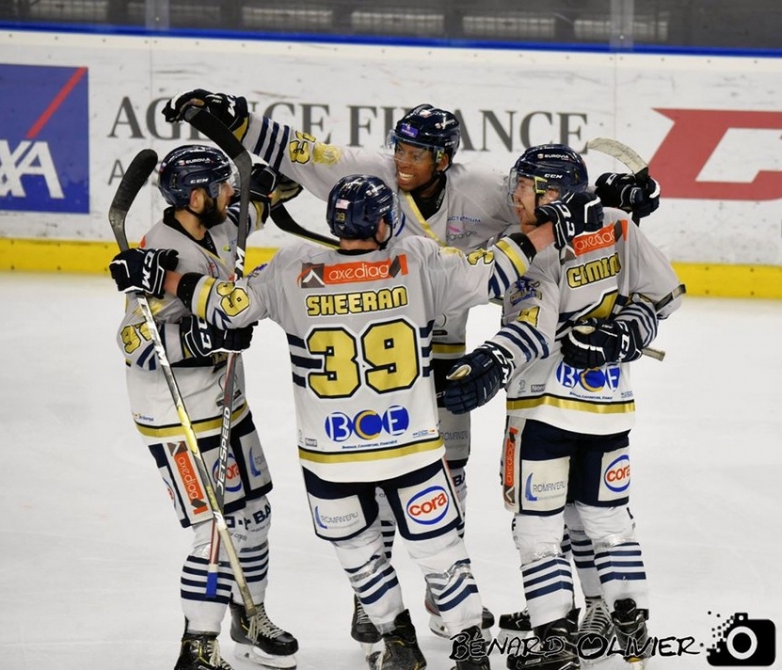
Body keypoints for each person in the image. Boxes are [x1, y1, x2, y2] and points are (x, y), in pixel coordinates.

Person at [161, 90, 662, 643]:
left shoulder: (487, 189)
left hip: (446, 358)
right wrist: (237, 119)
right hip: (383, 362)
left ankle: (444, 592)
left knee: (448, 476)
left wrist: (608, 196)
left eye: (417, 153)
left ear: (444, 159)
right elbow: (299, 151)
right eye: (399, 147)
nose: (402, 160)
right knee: (372, 484)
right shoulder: (370, 174)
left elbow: (548, 199)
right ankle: (372, 598)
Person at [108, 173, 599, 670]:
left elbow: (228, 307)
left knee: (362, 554)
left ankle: (398, 640)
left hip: (332, 458)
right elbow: (495, 267)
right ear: (385, 223)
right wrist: (551, 231)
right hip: (412, 448)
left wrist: (164, 280)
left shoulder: (290, 269)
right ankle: (470, 652)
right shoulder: (418, 260)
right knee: (441, 555)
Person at [441, 144, 685, 670]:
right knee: (605, 516)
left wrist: (492, 362)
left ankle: (556, 635)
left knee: (537, 526)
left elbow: (529, 326)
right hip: (609, 409)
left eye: (525, 186)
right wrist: (627, 332)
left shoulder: (529, 247)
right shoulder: (619, 224)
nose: (513, 194)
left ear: (551, 194)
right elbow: (664, 294)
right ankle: (626, 615)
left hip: (541, 409)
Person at [109, 145, 300, 670]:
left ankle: (250, 616)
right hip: (176, 416)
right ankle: (199, 645)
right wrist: (205, 337)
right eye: (223, 187)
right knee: (214, 527)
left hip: (225, 404)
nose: (231, 194)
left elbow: (260, 205)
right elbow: (134, 343)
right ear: (197, 196)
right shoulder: (159, 255)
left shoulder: (217, 225)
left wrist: (276, 179)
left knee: (255, 515)